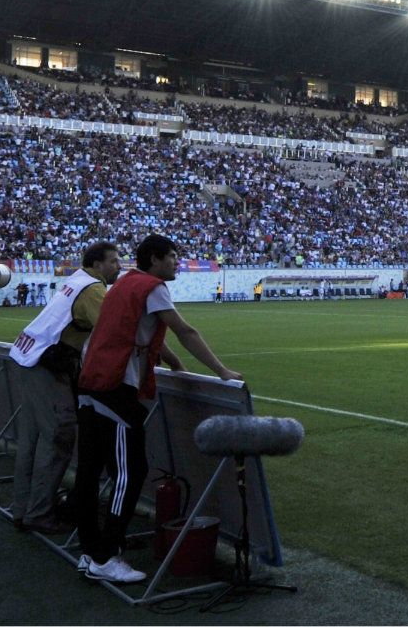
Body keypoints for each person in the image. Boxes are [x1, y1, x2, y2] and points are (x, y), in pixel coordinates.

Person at [72, 234, 242, 584]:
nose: (177, 262)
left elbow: (143, 334)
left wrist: (177, 366)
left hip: (90, 380)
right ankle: (105, 556)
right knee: (129, 471)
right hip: (113, 385)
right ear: (154, 259)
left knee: (90, 471)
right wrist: (221, 371)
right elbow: (185, 330)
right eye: (173, 256)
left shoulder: (123, 284)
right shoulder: (152, 287)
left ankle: (90, 552)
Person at [5, 241, 121, 536]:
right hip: (47, 364)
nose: (118, 266)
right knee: (60, 433)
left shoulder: (76, 279)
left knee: (32, 440)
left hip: (28, 358)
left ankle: (23, 509)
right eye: (114, 261)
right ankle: (39, 513)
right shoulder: (94, 288)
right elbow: (113, 331)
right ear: (97, 265)